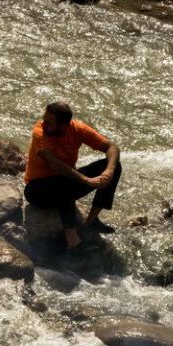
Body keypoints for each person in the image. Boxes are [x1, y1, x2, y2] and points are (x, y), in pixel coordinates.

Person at [23, 102, 121, 250]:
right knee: (64, 180)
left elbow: (112, 147)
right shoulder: (40, 132)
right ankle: (72, 238)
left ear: (63, 126)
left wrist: (108, 171)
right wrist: (86, 180)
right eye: (44, 119)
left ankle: (92, 220)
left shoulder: (77, 129)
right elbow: (55, 165)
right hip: (36, 190)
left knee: (114, 165)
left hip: (65, 185)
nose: (44, 124)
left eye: (49, 122)